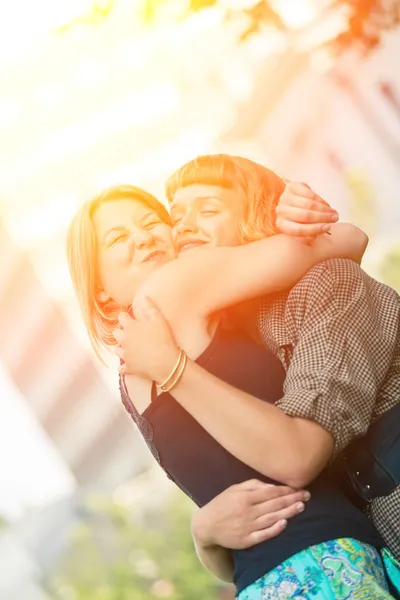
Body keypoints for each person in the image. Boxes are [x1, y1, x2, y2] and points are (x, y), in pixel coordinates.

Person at [67, 165, 399, 598]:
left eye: (152, 223)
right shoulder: (167, 292)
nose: (144, 238)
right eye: (117, 239)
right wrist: (297, 220)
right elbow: (344, 240)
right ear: (101, 293)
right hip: (323, 567)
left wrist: (204, 535)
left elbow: (228, 496)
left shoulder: (137, 374)